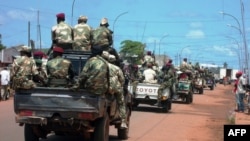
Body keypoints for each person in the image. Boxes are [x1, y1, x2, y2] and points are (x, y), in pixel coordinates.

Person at [105, 54, 128, 129]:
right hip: (116, 88)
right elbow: (122, 80)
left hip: (106, 88)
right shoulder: (117, 68)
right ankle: (123, 122)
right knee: (121, 103)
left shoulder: (104, 67)